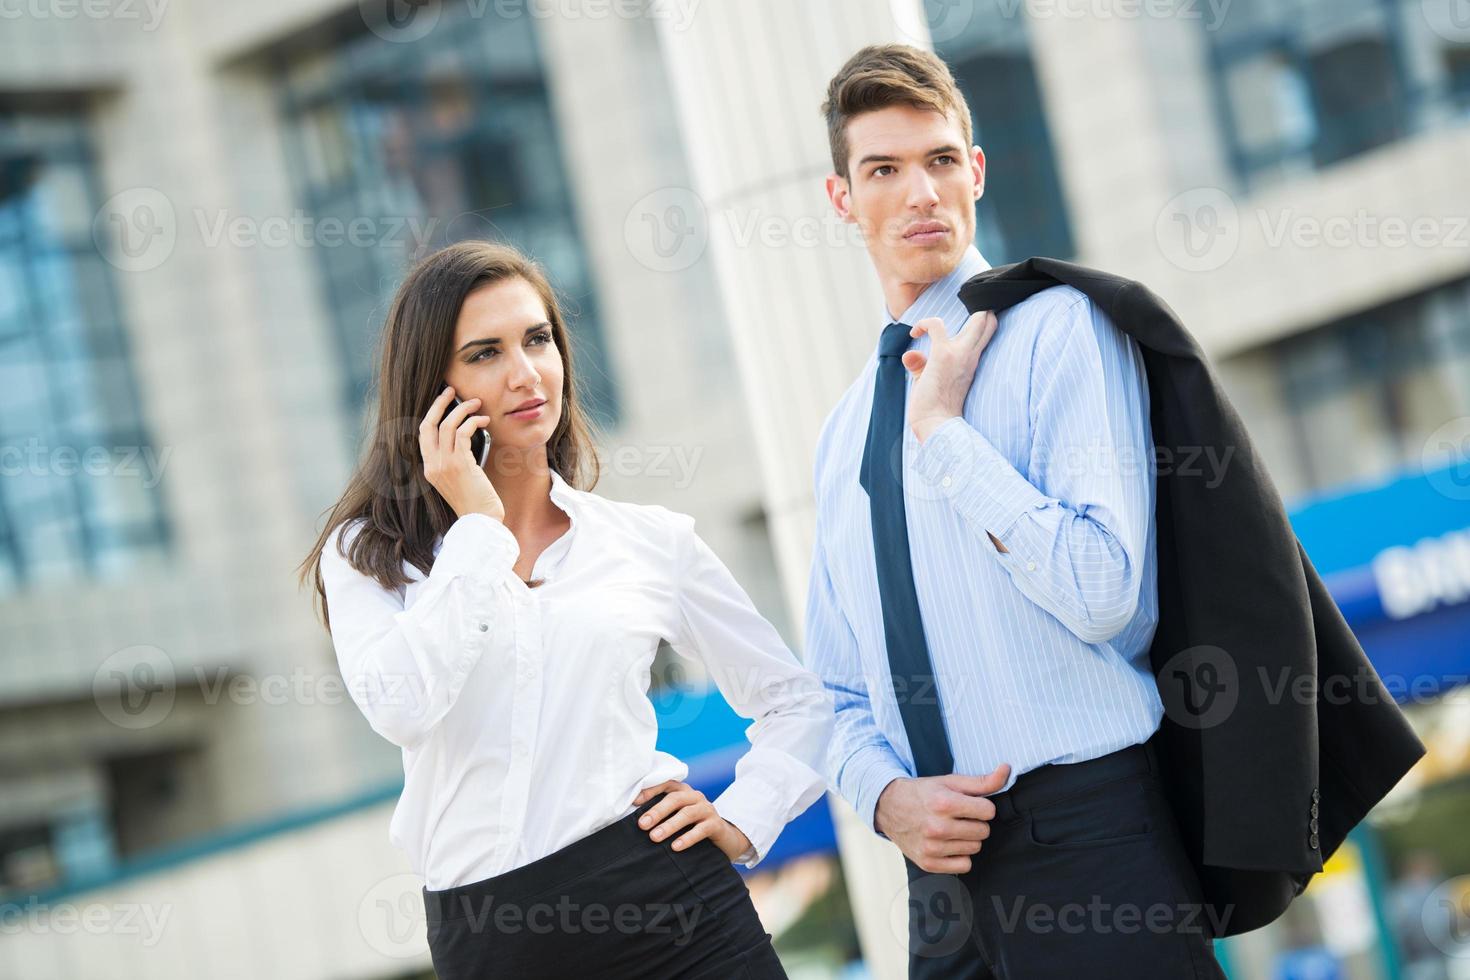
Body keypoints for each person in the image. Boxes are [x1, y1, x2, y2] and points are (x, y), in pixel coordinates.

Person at [298, 240, 833, 978]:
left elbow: (796, 702)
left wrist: (747, 817)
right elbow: (403, 706)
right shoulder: (369, 554)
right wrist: (478, 530)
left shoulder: (646, 541)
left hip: (675, 903)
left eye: (538, 339)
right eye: (484, 353)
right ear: (433, 387)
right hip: (493, 934)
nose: (525, 374)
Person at [804, 44, 1226, 978]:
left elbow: (1106, 591)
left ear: (977, 171)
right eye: (883, 169)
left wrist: (949, 440)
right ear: (843, 200)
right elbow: (831, 691)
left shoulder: (1058, 331)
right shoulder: (840, 436)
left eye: (941, 160)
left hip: (1090, 843)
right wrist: (883, 799)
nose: (920, 193)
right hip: (939, 889)